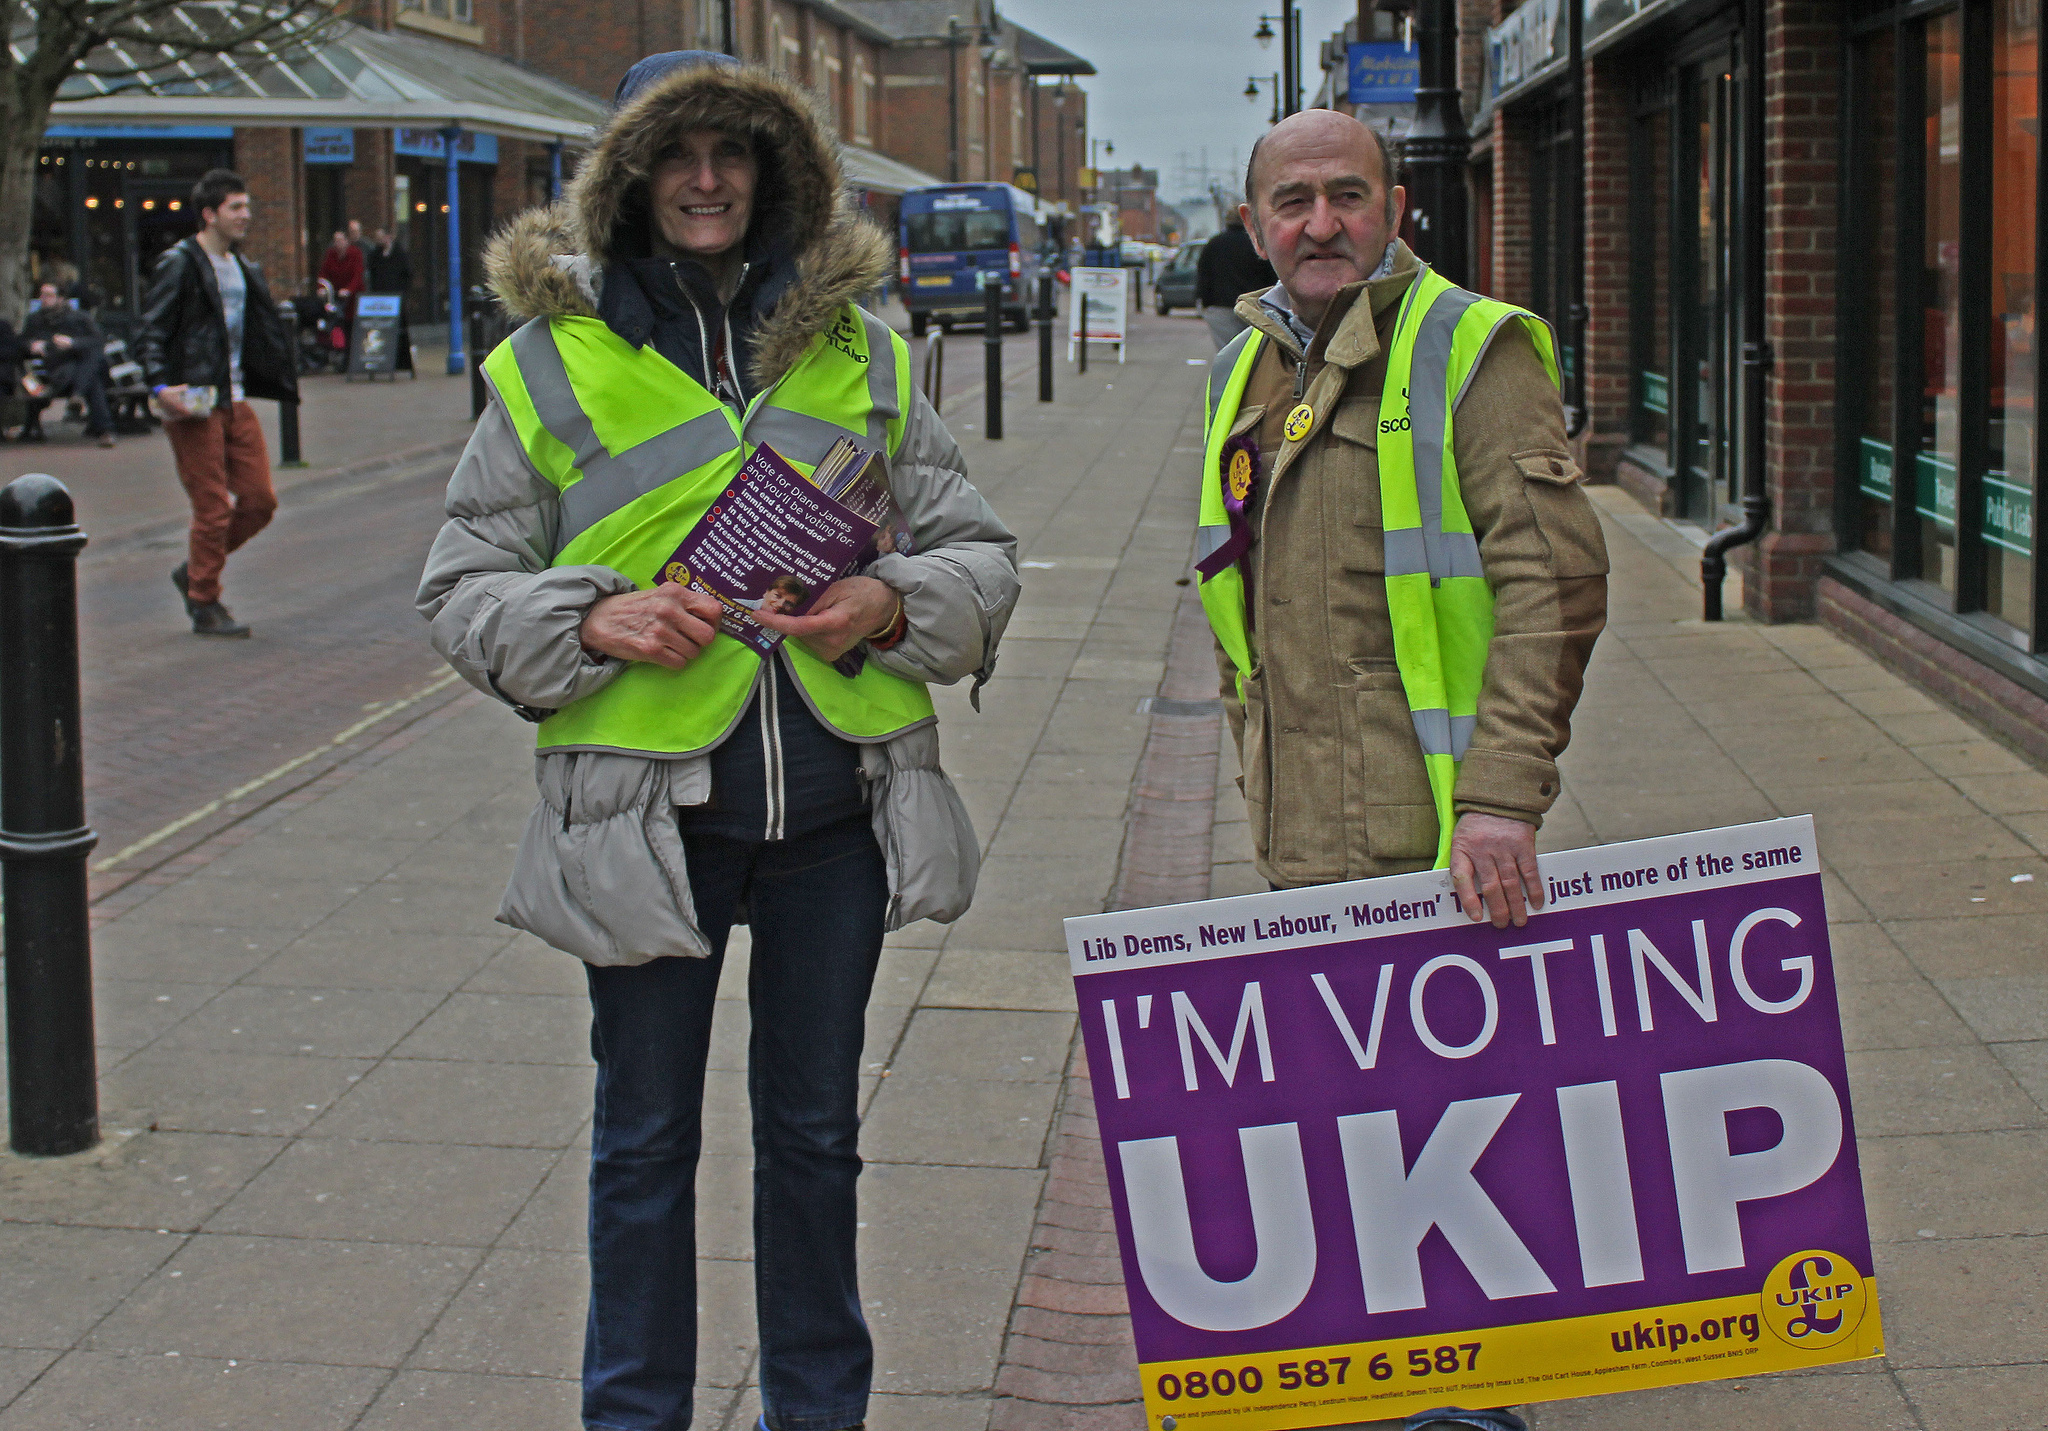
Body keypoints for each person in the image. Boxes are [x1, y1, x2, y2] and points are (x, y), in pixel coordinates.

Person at [416, 50, 1018, 1431]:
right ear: (631, 178)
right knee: (643, 1147)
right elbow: (459, 589)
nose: (704, 179)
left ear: (774, 174)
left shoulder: (861, 349)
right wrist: (596, 617)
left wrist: (892, 598)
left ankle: (818, 1410)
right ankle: (636, 1416)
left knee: (814, 1143)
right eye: (677, 154)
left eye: (732, 154)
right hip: (647, 821)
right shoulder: (546, 364)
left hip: (831, 819)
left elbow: (978, 552)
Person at [1194, 108, 1608, 1431]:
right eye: (1292, 203)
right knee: (1356, 1134)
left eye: (1346, 197)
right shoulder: (1253, 365)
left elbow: (1553, 580)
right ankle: (1371, 1374)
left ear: (1397, 206)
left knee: (1459, 1142)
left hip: (1437, 834)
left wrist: (1502, 791)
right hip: (1301, 825)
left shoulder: (1469, 351)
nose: (1321, 225)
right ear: (1255, 226)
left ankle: (1469, 1404)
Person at [138, 168, 298, 638]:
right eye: (236, 208)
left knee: (260, 501)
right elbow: (151, 328)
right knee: (212, 509)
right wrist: (159, 387)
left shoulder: (244, 268)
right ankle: (203, 601)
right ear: (209, 214)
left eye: (247, 206)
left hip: (233, 397)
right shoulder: (180, 263)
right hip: (192, 400)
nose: (246, 215)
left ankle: (193, 570)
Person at [20, 281, 116, 446]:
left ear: (61, 298)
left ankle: (79, 395)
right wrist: (33, 345)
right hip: (59, 372)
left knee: (91, 360)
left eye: (48, 295)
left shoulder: (80, 317)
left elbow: (98, 341)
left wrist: (73, 343)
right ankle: (104, 430)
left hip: (79, 370)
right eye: (41, 295)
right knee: (93, 378)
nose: (42, 299)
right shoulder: (35, 320)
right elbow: (21, 343)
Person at [1194, 207, 1276, 350]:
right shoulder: (1257, 244)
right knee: (1257, 352)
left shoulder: (1214, 244)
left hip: (1221, 307)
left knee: (1229, 353)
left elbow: (1204, 275)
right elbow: (1270, 275)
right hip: (1255, 306)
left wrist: (1204, 301)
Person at [316, 229, 364, 304]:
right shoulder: (330, 254)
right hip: (335, 293)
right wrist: (321, 287)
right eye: (335, 241)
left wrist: (349, 289)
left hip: (353, 295)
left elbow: (357, 275)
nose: (337, 243)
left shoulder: (355, 253)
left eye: (340, 240)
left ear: (346, 241)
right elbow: (323, 273)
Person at [365, 227, 412, 295]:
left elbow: (407, 273)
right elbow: (372, 272)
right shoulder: (375, 254)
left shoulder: (400, 254)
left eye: (381, 237)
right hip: (379, 292)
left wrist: (403, 290)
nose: (379, 240)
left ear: (388, 236)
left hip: (396, 292)